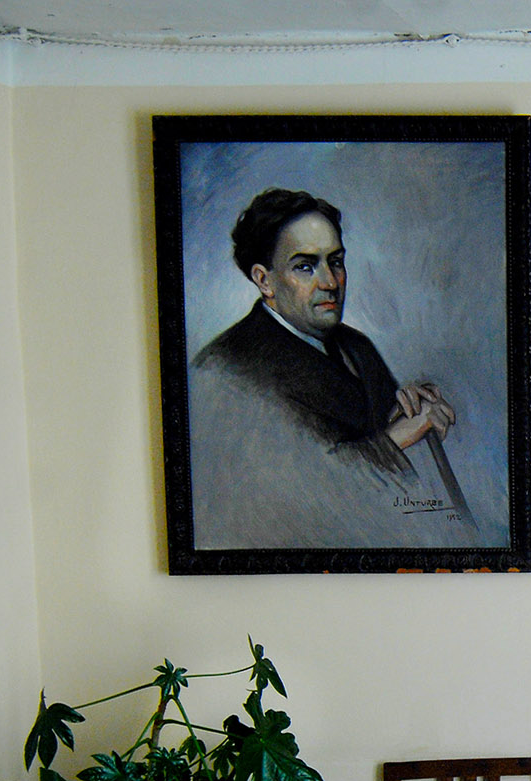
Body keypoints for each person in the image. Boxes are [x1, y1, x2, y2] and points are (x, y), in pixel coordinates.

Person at [188, 187, 471, 549]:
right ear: (264, 280)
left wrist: (403, 412)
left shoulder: (356, 346)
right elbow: (290, 498)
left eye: (335, 262)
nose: (330, 282)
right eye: (305, 266)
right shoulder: (224, 372)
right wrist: (396, 438)